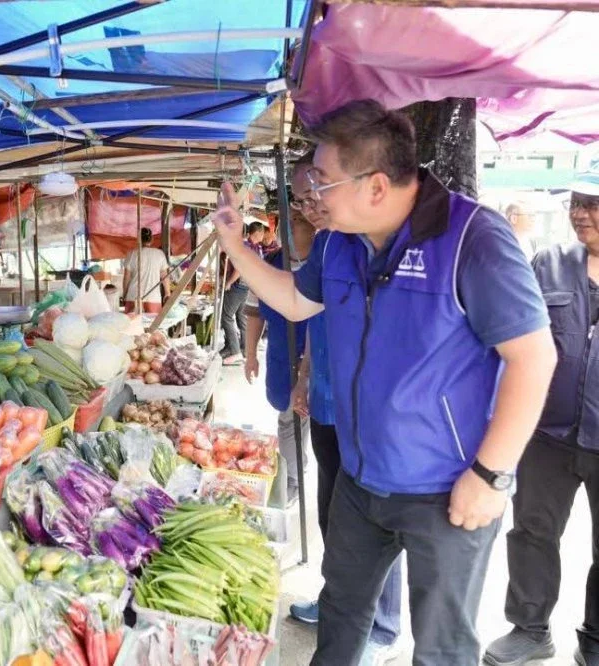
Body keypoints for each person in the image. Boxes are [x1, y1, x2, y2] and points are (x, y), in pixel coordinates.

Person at [214, 99, 556, 665]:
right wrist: (235, 246)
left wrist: (491, 474)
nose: (310, 198)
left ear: (375, 186)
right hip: (360, 477)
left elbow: (534, 357)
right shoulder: (337, 241)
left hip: (448, 489)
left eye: (321, 182)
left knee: (442, 643)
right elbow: (298, 302)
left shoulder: (473, 239)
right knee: (343, 612)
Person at [285, 151, 403, 664]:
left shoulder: (376, 245)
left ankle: (382, 625)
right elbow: (313, 323)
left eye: (318, 192)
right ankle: (337, 602)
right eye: (302, 198)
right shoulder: (327, 250)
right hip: (328, 403)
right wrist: (304, 379)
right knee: (336, 509)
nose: (312, 205)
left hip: (372, 413)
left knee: (381, 517)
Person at [484, 170, 599, 666]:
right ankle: (529, 629)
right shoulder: (548, 263)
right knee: (532, 531)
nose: (579, 212)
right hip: (547, 433)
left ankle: (595, 638)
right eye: (575, 201)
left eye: (592, 203)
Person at [244, 210, 312, 506]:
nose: (287, 228)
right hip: (281, 358)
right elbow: (254, 313)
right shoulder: (270, 264)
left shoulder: (324, 263)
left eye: (296, 222)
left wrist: (307, 373)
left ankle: (296, 474)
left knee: (309, 422)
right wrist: (250, 355)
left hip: (320, 360)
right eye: (284, 222)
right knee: (288, 419)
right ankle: (293, 477)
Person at [222, 222, 269, 365]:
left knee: (226, 317)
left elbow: (240, 269)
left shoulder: (247, 247)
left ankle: (235, 352)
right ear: (258, 233)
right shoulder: (256, 248)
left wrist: (229, 282)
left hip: (240, 286)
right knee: (242, 318)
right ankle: (244, 349)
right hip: (249, 287)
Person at [122, 228, 169, 314]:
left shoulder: (132, 254)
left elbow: (126, 278)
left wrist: (124, 294)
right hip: (153, 298)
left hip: (133, 297)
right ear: (152, 239)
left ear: (138, 239)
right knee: (153, 326)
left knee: (133, 326)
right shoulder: (159, 254)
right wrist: (167, 293)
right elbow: (164, 277)